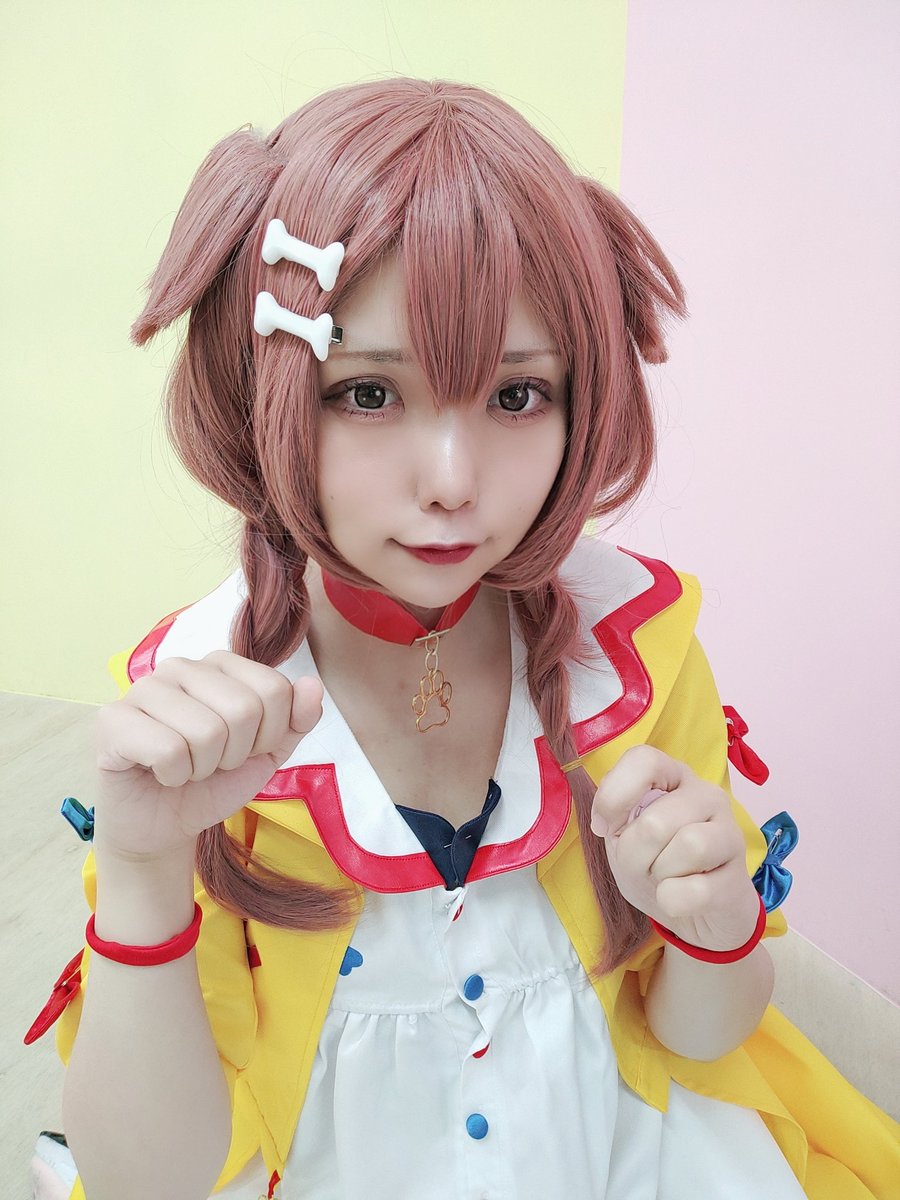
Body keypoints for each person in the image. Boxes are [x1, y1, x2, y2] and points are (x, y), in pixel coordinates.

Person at [26, 77, 898, 1200]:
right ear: (265, 388)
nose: (452, 482)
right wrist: (143, 873)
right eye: (368, 394)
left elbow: (697, 1036)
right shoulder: (203, 712)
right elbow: (152, 1180)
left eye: (517, 396)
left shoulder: (633, 658)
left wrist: (718, 924)